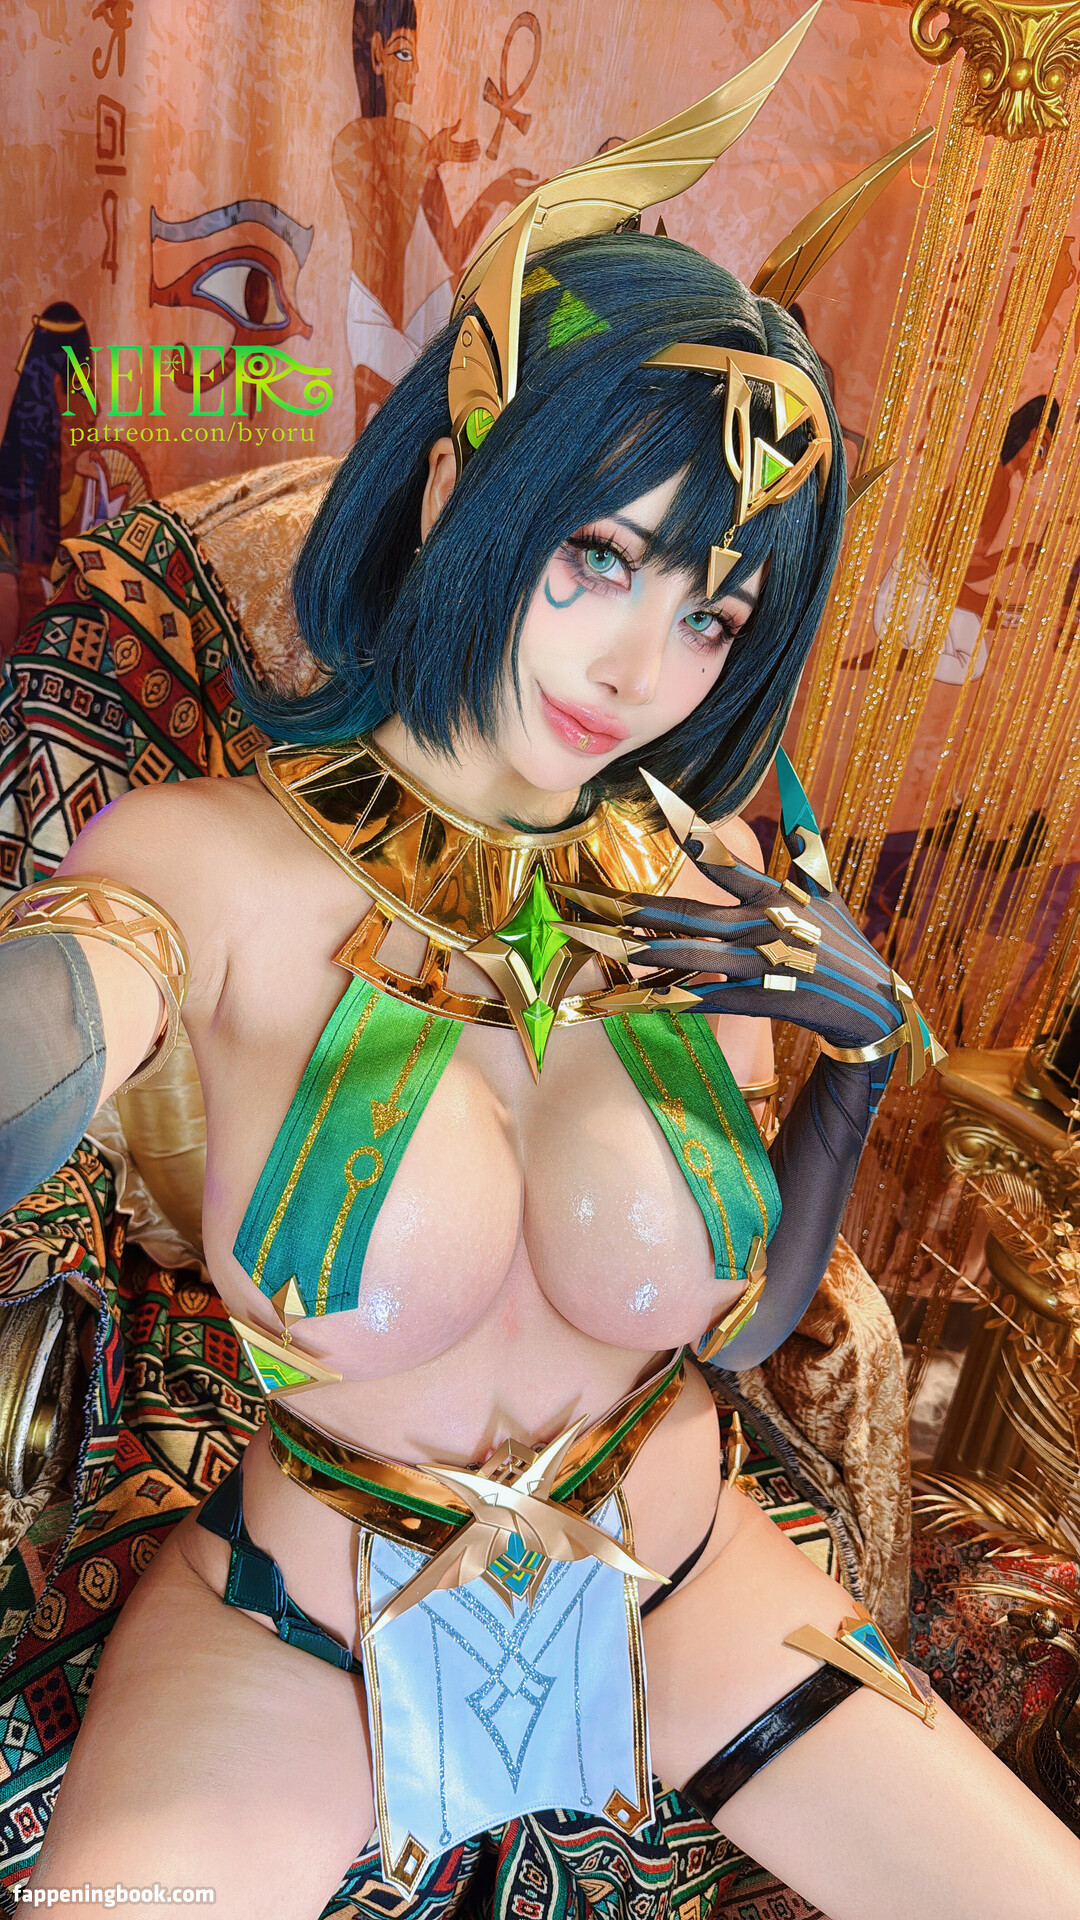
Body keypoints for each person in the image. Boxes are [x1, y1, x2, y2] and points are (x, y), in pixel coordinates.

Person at [3, 32, 1080, 1920]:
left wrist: (850, 1078)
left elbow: (741, 1332)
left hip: (688, 1590)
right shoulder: (204, 865)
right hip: (306, 1632)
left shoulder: (721, 887)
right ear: (455, 496)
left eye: (713, 610)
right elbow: (54, 1024)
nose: (640, 667)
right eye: (597, 554)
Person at [334, 0, 534, 434]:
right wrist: (427, 161)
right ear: (376, 55)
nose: (417, 71)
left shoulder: (416, 140)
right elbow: (385, 238)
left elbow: (454, 248)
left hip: (409, 314)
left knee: (469, 294)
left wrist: (499, 193)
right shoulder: (351, 143)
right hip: (372, 313)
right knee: (435, 386)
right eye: (404, 53)